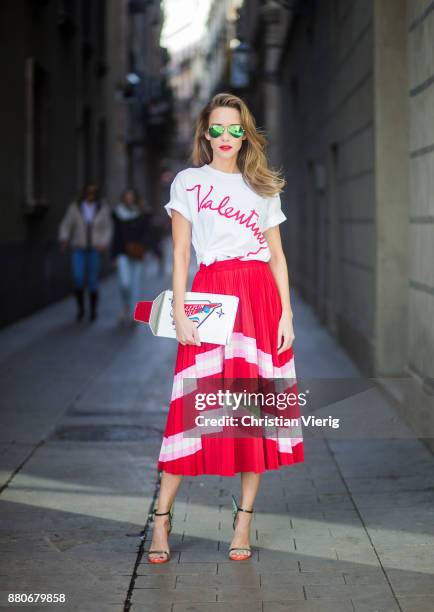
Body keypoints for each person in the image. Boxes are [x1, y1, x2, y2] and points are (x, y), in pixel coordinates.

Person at [147, 93, 305, 564]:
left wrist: (287, 315)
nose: (226, 137)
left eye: (235, 129)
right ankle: (161, 520)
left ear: (246, 133)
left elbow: (277, 256)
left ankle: (243, 525)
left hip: (259, 297)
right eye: (217, 128)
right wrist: (179, 314)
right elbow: (179, 255)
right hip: (212, 294)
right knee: (191, 408)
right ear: (205, 133)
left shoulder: (262, 185)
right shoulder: (189, 183)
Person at [58, 183, 113, 322]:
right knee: (78, 277)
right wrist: (64, 238)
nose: (91, 195)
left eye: (93, 193)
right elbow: (66, 224)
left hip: (94, 248)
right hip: (79, 247)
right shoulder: (75, 207)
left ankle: (93, 311)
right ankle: (81, 309)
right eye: (88, 192)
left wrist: (104, 242)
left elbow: (108, 227)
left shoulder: (102, 207)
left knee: (93, 279)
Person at [111, 189, 150, 323]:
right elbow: (115, 235)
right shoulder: (117, 214)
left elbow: (147, 232)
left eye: (131, 197)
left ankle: (134, 312)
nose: (129, 199)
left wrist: (143, 246)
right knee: (125, 283)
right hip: (122, 252)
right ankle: (126, 305)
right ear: (123, 198)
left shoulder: (141, 213)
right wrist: (113, 255)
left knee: (135, 284)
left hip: (137, 252)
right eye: (127, 197)